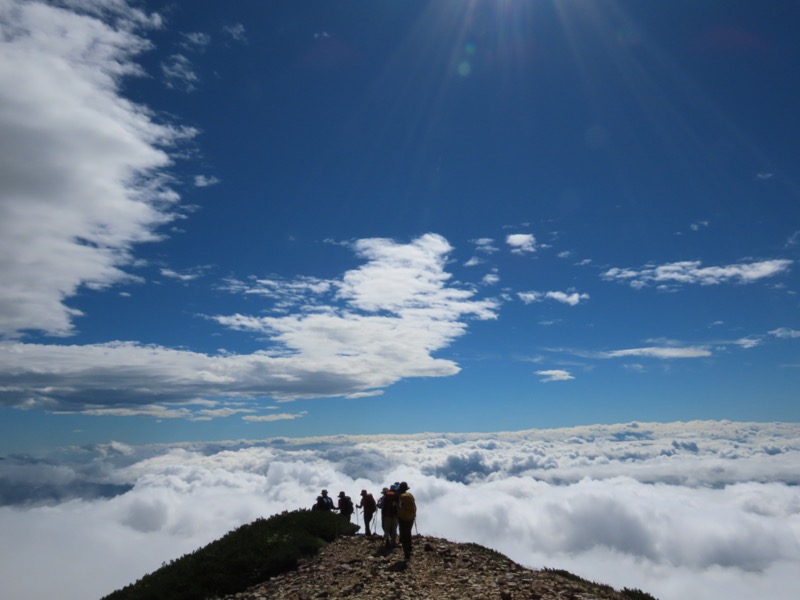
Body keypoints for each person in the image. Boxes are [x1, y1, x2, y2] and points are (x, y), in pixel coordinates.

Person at [397, 481, 416, 561]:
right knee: (408, 533)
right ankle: (410, 548)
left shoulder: (400, 497)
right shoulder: (410, 495)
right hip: (411, 517)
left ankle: (407, 555)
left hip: (402, 518)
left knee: (404, 535)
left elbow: (398, 507)